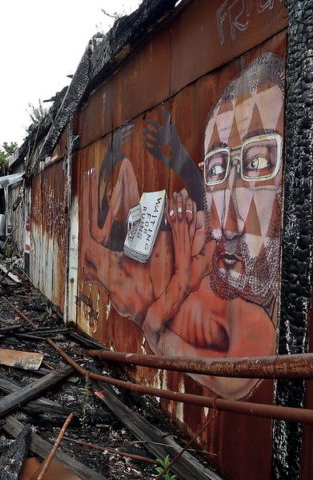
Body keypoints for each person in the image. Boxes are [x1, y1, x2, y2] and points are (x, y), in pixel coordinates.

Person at [82, 53, 284, 399]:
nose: (230, 225)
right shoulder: (205, 246)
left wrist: (184, 276)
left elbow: (156, 329)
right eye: (217, 169)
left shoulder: (252, 330)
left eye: (260, 162)